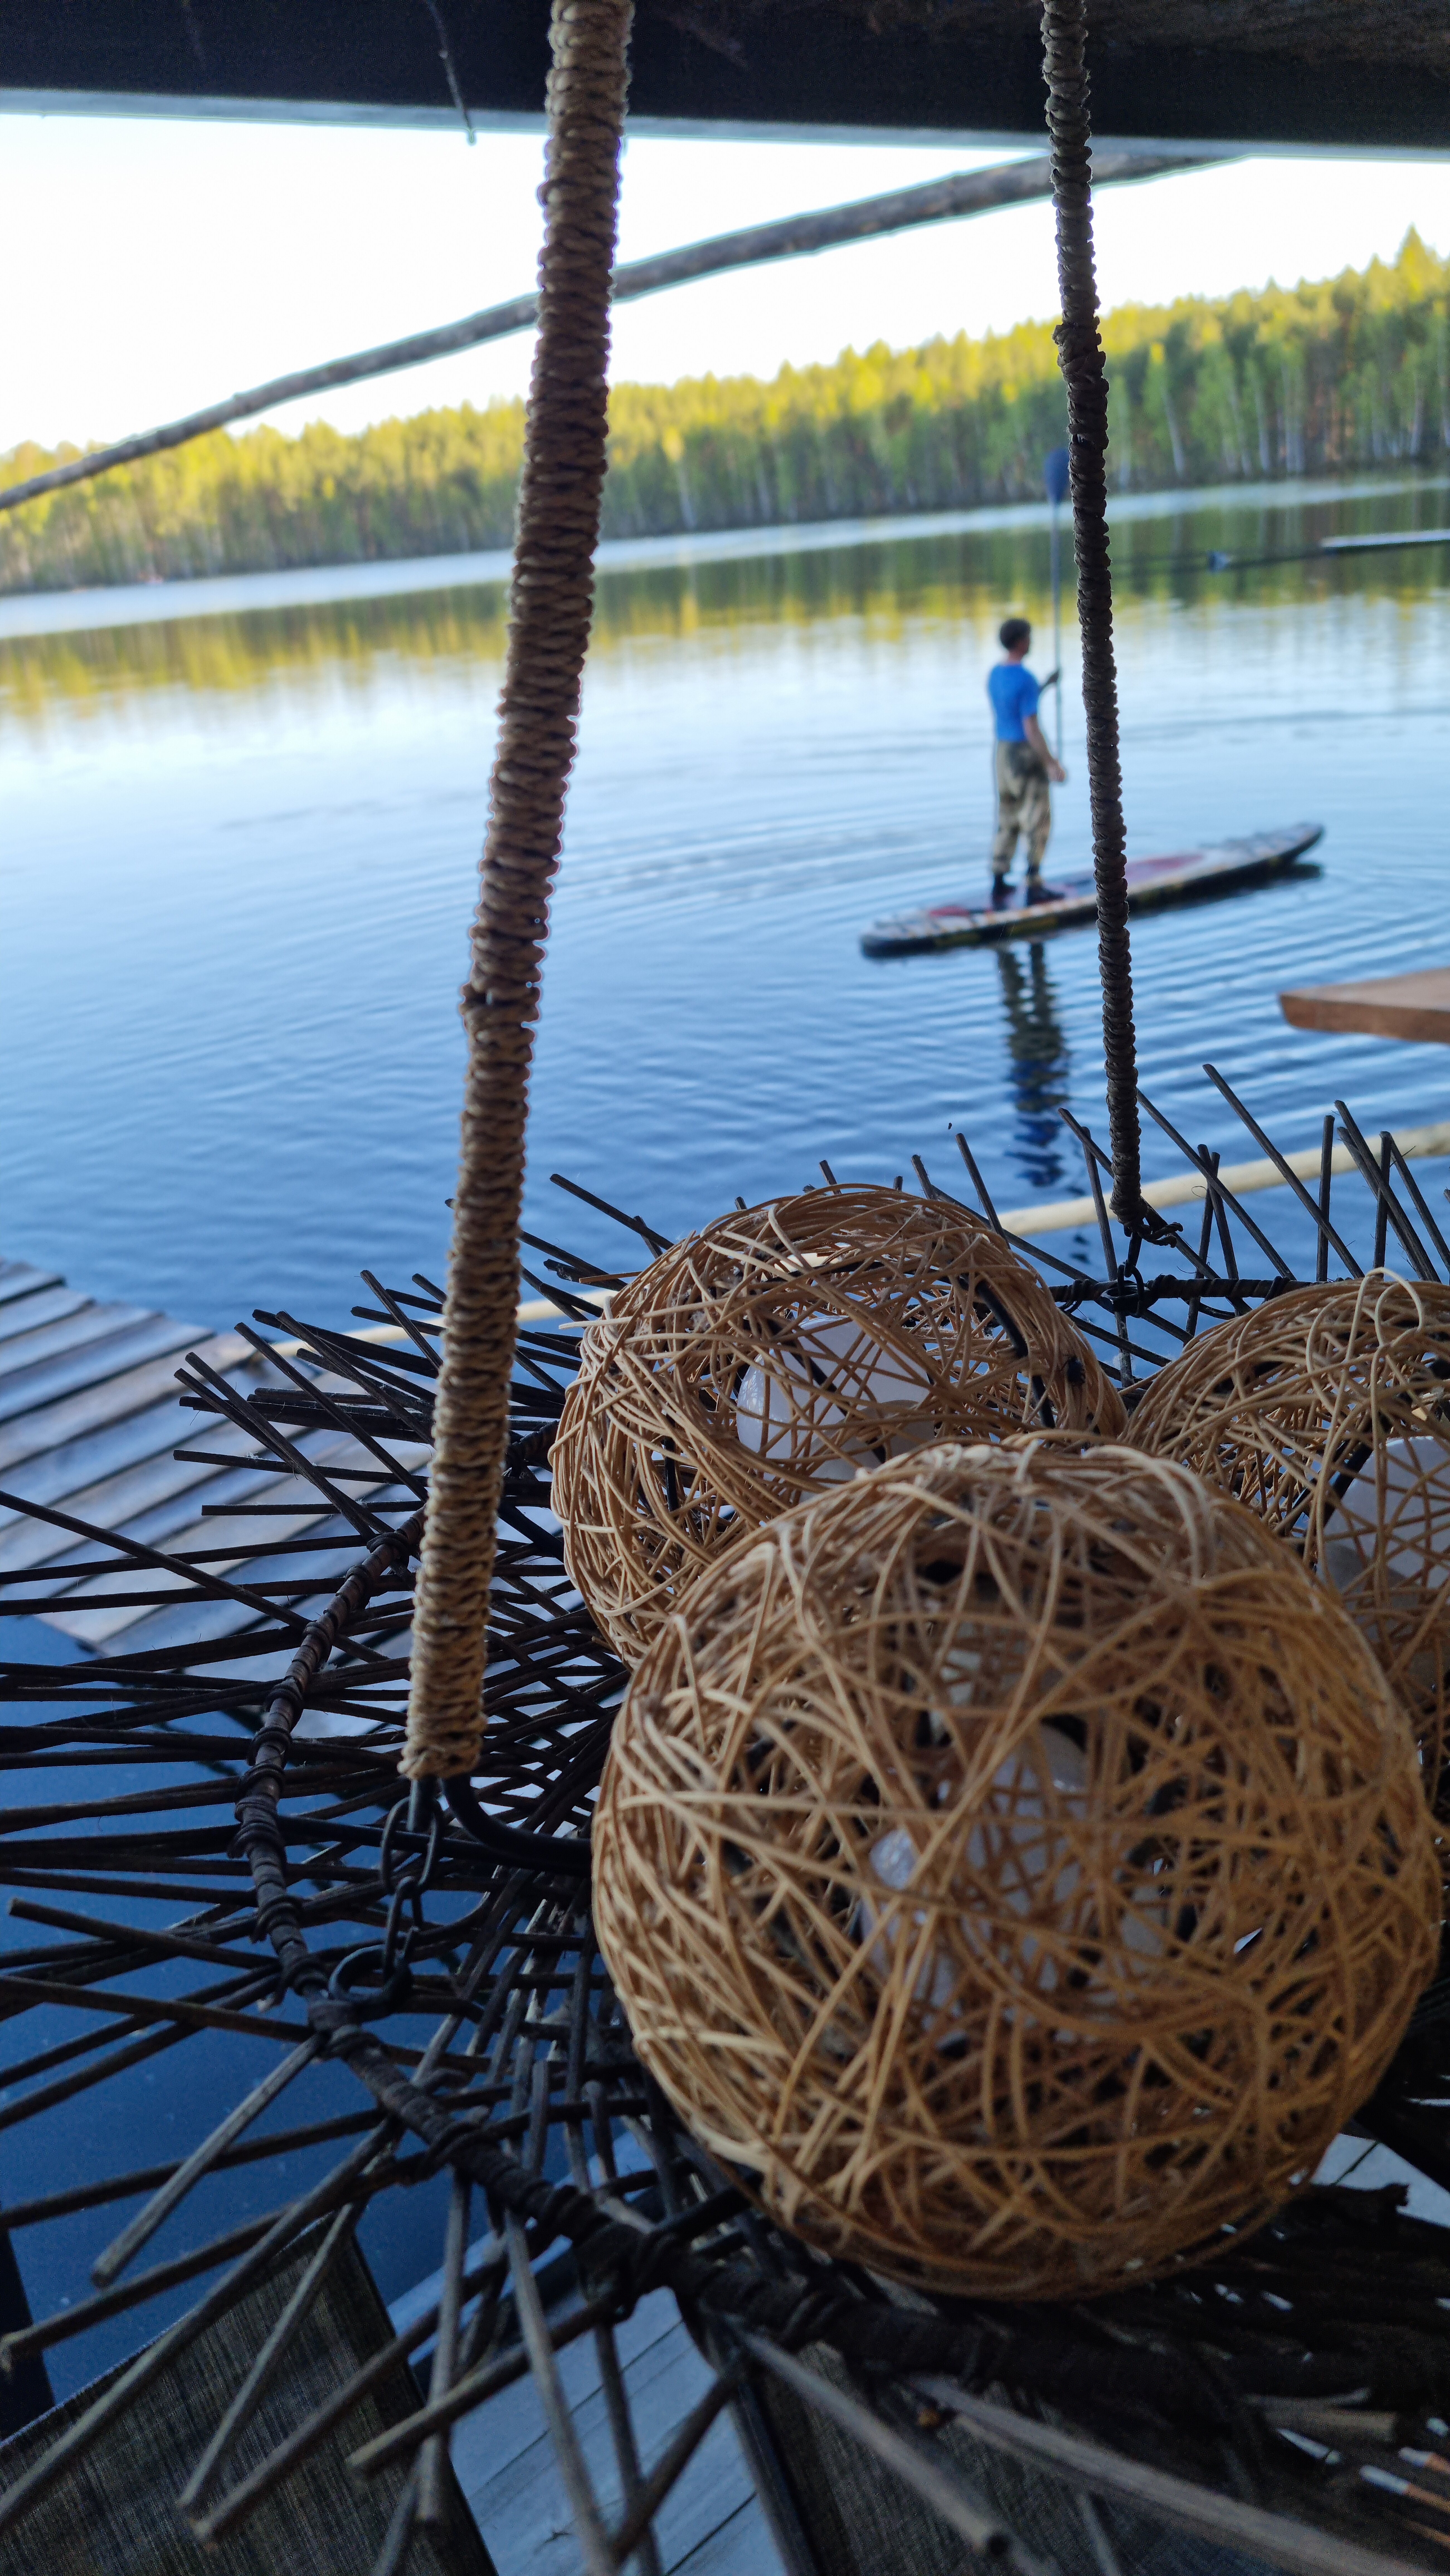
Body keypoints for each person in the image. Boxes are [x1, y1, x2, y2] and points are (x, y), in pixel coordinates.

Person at [986, 616, 1066, 906]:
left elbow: (1015, 704)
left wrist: (1044, 686)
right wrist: (1051, 763)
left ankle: (999, 877)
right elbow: (1030, 726)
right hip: (1023, 752)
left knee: (1007, 813)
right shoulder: (1025, 679)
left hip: (1002, 754)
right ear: (1020, 641)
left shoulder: (995, 674)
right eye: (1029, 637)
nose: (1031, 641)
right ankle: (1034, 883)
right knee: (1037, 817)